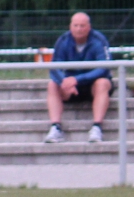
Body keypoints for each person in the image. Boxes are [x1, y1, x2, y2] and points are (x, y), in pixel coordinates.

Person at [44, 12, 112, 142]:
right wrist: (64, 81)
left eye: (82, 25)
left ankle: (97, 127)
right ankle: (55, 128)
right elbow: (54, 67)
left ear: (89, 27)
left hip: (92, 85)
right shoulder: (63, 40)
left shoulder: (99, 40)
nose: (79, 29)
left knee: (103, 83)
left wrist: (77, 80)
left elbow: (104, 67)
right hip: (70, 87)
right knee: (52, 85)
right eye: (75, 25)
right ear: (70, 26)